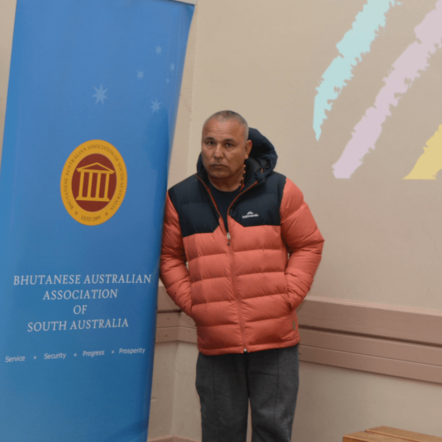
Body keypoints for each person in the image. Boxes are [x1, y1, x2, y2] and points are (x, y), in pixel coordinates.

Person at [160, 110, 324, 442]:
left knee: (273, 432)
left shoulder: (279, 190)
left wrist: (286, 296)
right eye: (209, 142)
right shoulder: (181, 198)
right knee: (220, 433)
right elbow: (168, 257)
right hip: (216, 345)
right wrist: (196, 304)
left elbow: (308, 245)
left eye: (228, 144)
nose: (217, 153)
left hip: (275, 341)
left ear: (247, 149)